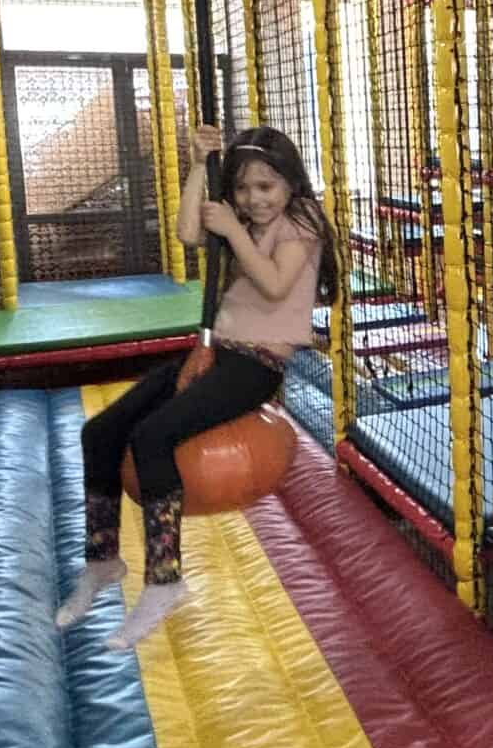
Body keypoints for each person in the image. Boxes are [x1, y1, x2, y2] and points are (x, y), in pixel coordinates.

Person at [58, 123, 337, 650]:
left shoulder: (301, 218)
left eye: (266, 187)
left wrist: (232, 228)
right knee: (100, 431)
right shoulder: (244, 220)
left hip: (255, 366)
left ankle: (165, 580)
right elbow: (188, 232)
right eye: (242, 188)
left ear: (290, 184)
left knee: (153, 437)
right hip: (214, 353)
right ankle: (102, 558)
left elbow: (275, 284)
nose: (254, 199)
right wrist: (195, 169)